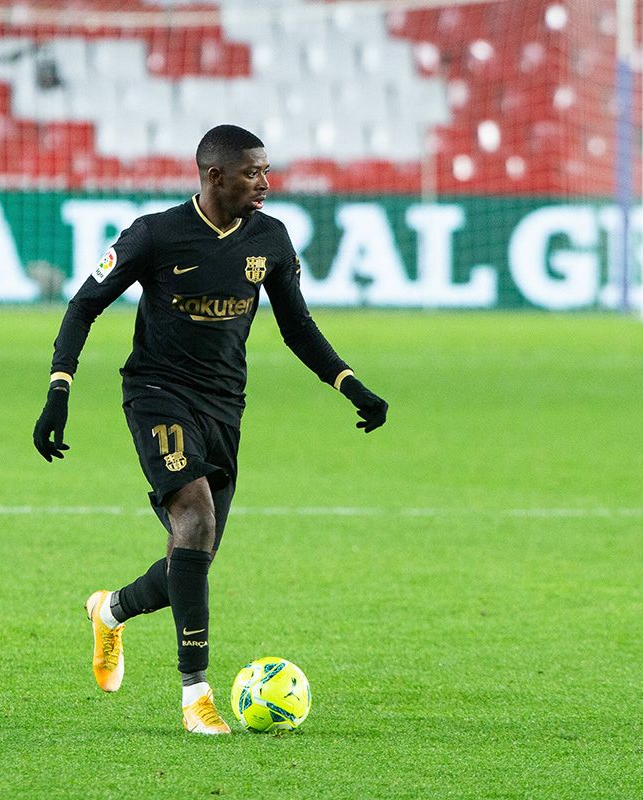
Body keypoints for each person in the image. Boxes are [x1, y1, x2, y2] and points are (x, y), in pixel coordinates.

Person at [32, 124, 388, 734]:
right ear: (214, 175)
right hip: (156, 394)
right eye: (254, 173)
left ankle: (110, 609)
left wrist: (350, 383)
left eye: (267, 171)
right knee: (194, 519)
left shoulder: (270, 239)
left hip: (225, 407)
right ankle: (195, 695)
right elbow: (83, 304)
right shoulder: (154, 234)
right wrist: (59, 390)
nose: (266, 185)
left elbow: (296, 327)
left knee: (191, 558)